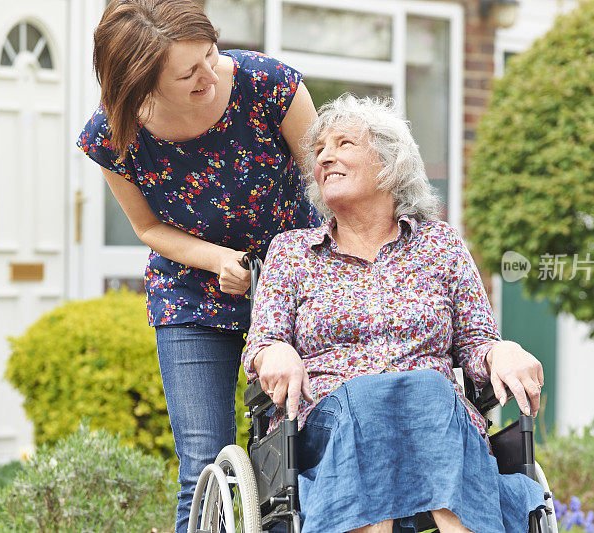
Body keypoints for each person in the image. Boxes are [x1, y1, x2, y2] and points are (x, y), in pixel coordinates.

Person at [243, 95, 546, 533]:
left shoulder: (439, 245)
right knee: (369, 396)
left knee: (427, 390)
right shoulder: (292, 252)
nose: (325, 155)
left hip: (435, 422)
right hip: (332, 423)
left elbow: (478, 341)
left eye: (344, 143)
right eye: (320, 149)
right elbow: (263, 341)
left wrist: (503, 351)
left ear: (389, 163)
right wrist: (274, 353)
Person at [76, 1, 320, 531]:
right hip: (191, 292)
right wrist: (219, 262)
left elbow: (329, 190)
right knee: (204, 467)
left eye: (210, 54)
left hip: (293, 286)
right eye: (188, 73)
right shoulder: (112, 134)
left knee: (304, 451)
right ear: (142, 85)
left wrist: (283, 270)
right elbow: (148, 228)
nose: (211, 74)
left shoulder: (268, 85)